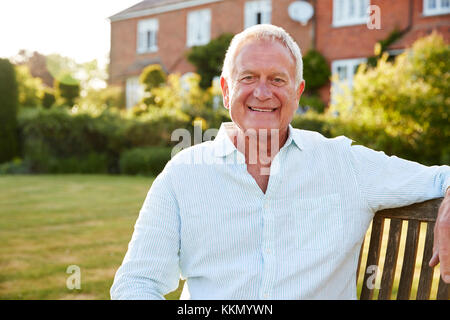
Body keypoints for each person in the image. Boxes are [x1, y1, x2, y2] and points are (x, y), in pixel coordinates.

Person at [110, 24, 450, 300]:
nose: (262, 93)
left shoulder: (345, 163)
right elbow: (137, 282)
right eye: (248, 78)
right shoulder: (182, 175)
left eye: (277, 79)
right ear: (226, 90)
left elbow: (442, 177)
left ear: (298, 92)